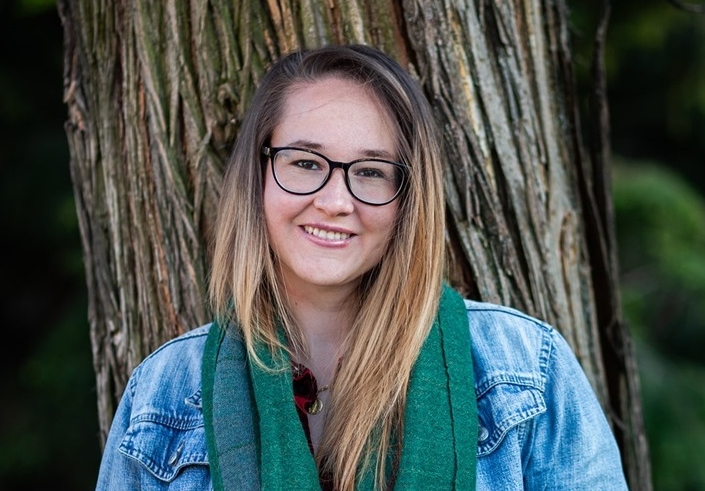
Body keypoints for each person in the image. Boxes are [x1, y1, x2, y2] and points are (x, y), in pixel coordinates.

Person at [95, 45, 629, 491]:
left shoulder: (526, 372)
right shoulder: (161, 397)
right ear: (257, 174)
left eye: (371, 172)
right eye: (306, 163)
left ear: (408, 200)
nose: (334, 201)